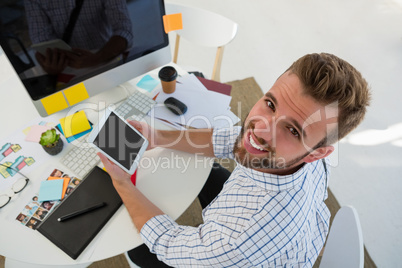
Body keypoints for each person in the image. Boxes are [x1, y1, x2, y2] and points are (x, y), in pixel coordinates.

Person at [98, 53, 371, 267]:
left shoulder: (239, 242)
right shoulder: (310, 155)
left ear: (317, 153)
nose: (260, 128)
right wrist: (157, 136)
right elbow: (234, 139)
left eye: (291, 130)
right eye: (271, 104)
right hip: (290, 237)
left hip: (247, 251)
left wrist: (122, 183)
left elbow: (169, 243)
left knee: (137, 248)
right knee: (215, 167)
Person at [24, 0, 133, 74]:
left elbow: (124, 29)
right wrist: (49, 65)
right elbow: (40, 43)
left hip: (106, 63)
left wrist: (97, 58)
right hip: (66, 72)